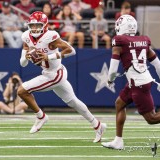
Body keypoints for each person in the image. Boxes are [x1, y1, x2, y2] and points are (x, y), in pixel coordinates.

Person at [101, 15, 160, 149]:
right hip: (137, 81)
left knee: (151, 118)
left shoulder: (119, 41)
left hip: (138, 83)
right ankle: (118, 141)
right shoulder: (143, 40)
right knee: (119, 104)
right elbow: (157, 64)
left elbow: (112, 70)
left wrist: (110, 80)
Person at [17, 11, 106, 142]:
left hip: (55, 74)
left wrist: (49, 56)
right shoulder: (26, 36)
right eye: (33, 25)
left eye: (37, 25)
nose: (34, 28)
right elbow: (22, 64)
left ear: (45, 25)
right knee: (73, 102)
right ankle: (98, 125)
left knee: (22, 91)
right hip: (49, 73)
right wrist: (27, 56)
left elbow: (71, 50)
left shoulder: (50, 36)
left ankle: (41, 116)